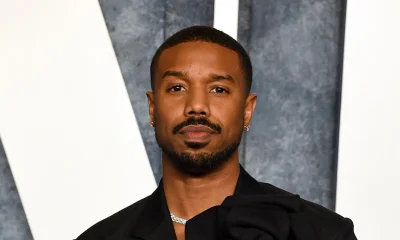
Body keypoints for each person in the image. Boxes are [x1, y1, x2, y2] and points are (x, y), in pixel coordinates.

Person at [76, 26, 357, 240]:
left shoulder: (320, 232)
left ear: (247, 110)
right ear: (152, 108)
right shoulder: (102, 237)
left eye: (218, 90)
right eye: (177, 88)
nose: (197, 106)